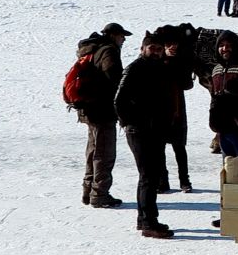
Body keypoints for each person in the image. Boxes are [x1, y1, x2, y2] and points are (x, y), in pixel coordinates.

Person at [115, 31, 177, 239]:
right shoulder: (135, 68)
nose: (156, 52)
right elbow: (119, 101)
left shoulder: (161, 68)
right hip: (141, 131)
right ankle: (149, 222)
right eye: (152, 48)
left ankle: (145, 219)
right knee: (149, 176)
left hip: (156, 130)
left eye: (159, 49)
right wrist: (131, 123)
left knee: (150, 175)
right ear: (143, 49)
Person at [75, 24, 128, 207]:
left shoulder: (91, 49)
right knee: (104, 153)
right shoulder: (108, 51)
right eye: (122, 36)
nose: (124, 40)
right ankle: (100, 194)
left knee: (92, 150)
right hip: (102, 110)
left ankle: (88, 190)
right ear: (114, 35)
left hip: (88, 109)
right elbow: (113, 77)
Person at [159, 27, 195, 194]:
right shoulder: (156, 63)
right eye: (168, 44)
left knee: (179, 148)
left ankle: (184, 181)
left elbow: (188, 85)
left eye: (174, 44)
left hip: (177, 111)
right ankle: (162, 181)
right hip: (160, 113)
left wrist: (180, 66)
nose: (172, 47)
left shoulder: (181, 62)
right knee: (159, 149)